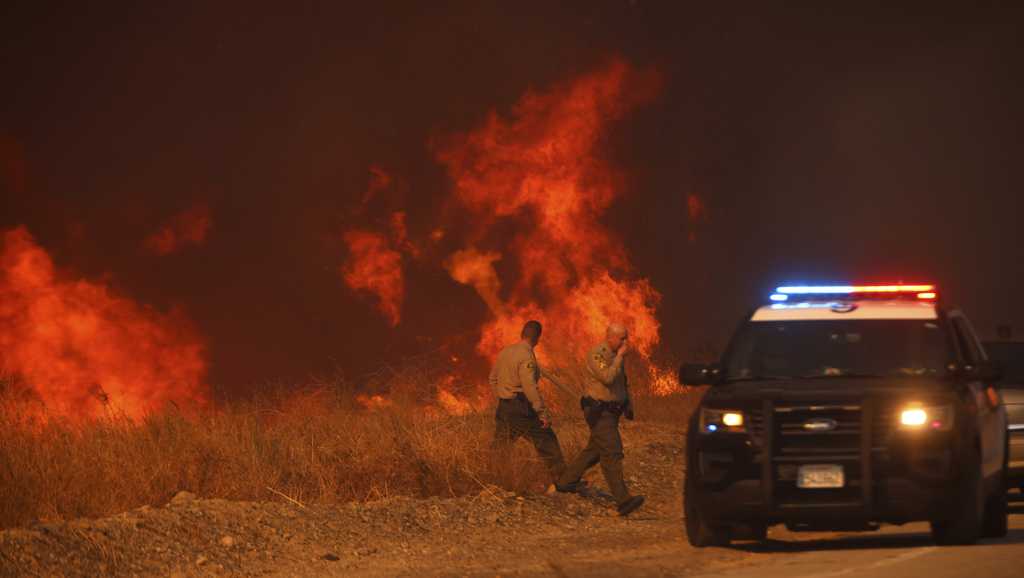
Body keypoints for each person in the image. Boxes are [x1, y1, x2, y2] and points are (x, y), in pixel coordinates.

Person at [557, 323, 645, 516]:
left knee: (595, 450)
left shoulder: (615, 357)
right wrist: (620, 357)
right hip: (598, 411)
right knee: (612, 451)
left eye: (626, 338)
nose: (625, 342)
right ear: (610, 337)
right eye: (621, 338)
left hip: (612, 412)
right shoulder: (597, 354)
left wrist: (628, 405)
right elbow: (607, 378)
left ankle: (565, 482)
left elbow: (622, 384)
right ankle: (623, 501)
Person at [490, 320, 566, 485]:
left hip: (504, 407)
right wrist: (541, 412)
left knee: (501, 446)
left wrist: (504, 396)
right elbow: (529, 387)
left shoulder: (505, 352)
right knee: (546, 440)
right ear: (537, 338)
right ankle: (563, 480)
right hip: (521, 408)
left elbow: (492, 378)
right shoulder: (527, 356)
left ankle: (495, 480)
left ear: (522, 334)